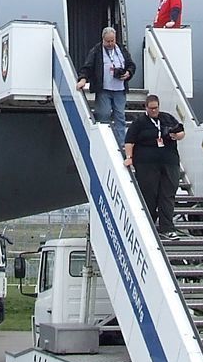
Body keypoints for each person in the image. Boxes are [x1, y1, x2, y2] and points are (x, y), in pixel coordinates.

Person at [122, 93, 185, 238]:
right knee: (149, 194)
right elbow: (129, 141)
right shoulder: (139, 122)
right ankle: (149, 225)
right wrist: (129, 157)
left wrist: (177, 135)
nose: (154, 111)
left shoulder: (167, 118)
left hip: (169, 161)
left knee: (167, 194)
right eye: (151, 109)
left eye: (156, 108)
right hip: (146, 163)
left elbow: (181, 131)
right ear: (146, 108)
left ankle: (167, 227)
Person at [75, 27, 134, 146]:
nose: (111, 43)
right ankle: (105, 142)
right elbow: (88, 67)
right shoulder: (96, 51)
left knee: (120, 116)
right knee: (103, 114)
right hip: (103, 89)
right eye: (108, 41)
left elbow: (131, 65)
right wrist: (83, 79)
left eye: (112, 40)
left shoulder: (121, 49)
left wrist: (128, 73)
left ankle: (121, 143)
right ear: (103, 39)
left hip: (119, 89)